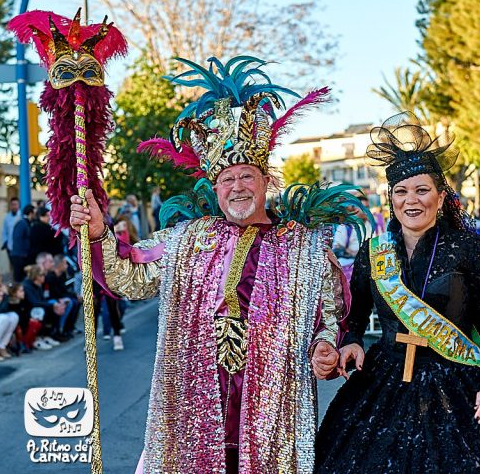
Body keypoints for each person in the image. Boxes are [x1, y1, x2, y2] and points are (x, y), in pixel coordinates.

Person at [70, 55, 368, 473]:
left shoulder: (305, 247)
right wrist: (100, 233)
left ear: (267, 182)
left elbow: (331, 316)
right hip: (192, 416)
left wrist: (324, 347)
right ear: (216, 187)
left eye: (247, 176)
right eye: (227, 179)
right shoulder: (187, 240)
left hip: (271, 423)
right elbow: (129, 276)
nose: (237, 186)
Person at [315, 113, 480, 473]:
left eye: (422, 190)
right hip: (385, 379)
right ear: (390, 198)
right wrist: (354, 340)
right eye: (401, 191)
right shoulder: (372, 251)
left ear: (441, 197)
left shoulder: (468, 248)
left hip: (457, 380)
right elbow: (356, 314)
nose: (412, 200)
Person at [10, 204, 35, 282]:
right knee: (18, 279)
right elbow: (18, 240)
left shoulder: (26, 223)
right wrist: (24, 255)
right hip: (19, 257)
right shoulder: (22, 224)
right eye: (34, 213)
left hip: (22, 256)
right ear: (30, 213)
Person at [1, 197, 21, 269]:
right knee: (13, 265)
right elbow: (4, 231)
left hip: (19, 247)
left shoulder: (21, 216)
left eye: (15, 204)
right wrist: (5, 242)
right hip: (10, 246)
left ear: (19, 205)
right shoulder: (7, 217)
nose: (14, 206)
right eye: (12, 204)